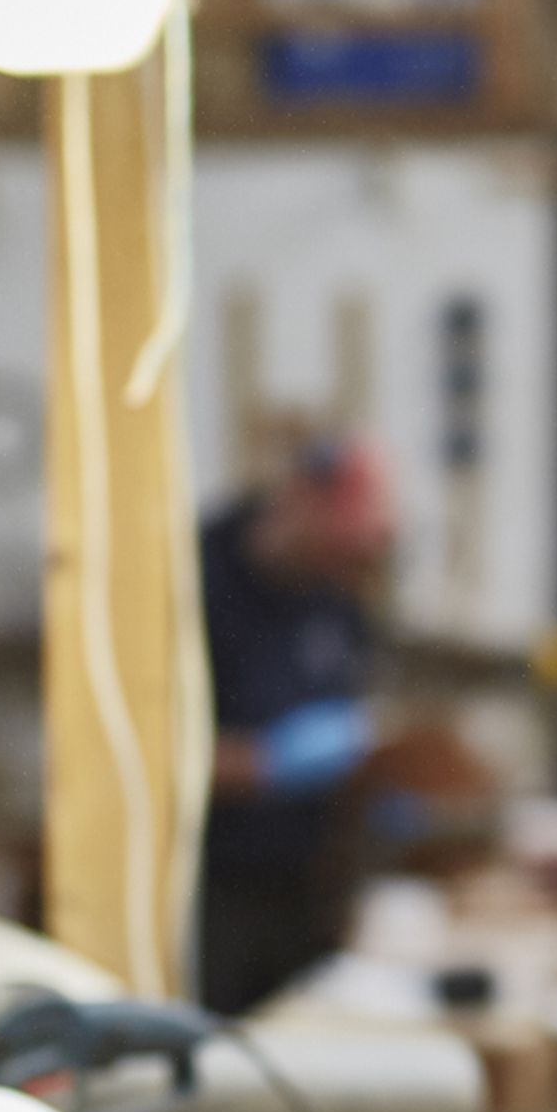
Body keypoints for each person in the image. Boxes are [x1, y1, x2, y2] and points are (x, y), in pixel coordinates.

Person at [195, 434, 393, 1016]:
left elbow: (358, 712)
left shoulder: (337, 601)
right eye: (339, 548)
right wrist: (266, 764)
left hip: (306, 887)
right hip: (214, 888)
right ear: (301, 500)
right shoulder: (196, 581)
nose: (347, 567)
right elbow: (146, 755)